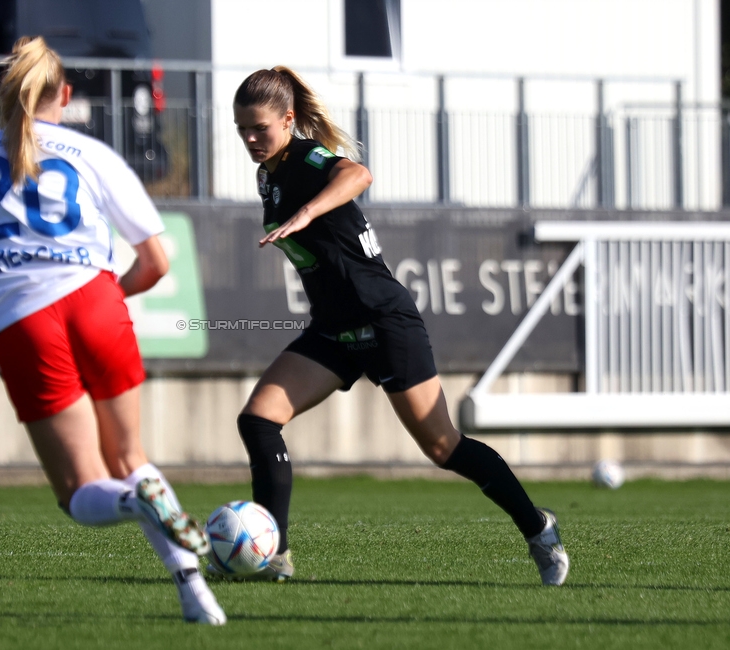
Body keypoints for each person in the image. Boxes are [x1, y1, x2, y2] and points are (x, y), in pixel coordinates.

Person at [219, 66, 569, 586]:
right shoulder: (267, 175)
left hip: (384, 321)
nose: (250, 139)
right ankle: (274, 556)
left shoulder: (307, 159)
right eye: (241, 128)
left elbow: (357, 174)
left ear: (288, 121)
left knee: (443, 447)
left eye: (260, 128)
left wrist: (310, 212)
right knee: (259, 418)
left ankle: (538, 527)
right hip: (334, 329)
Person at [0, 36, 226, 624]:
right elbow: (157, 260)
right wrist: (110, 294)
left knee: (79, 491)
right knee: (130, 453)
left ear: (2, 98)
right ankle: (195, 592)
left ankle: (139, 502)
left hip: (21, 319)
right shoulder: (92, 152)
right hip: (95, 298)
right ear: (65, 94)